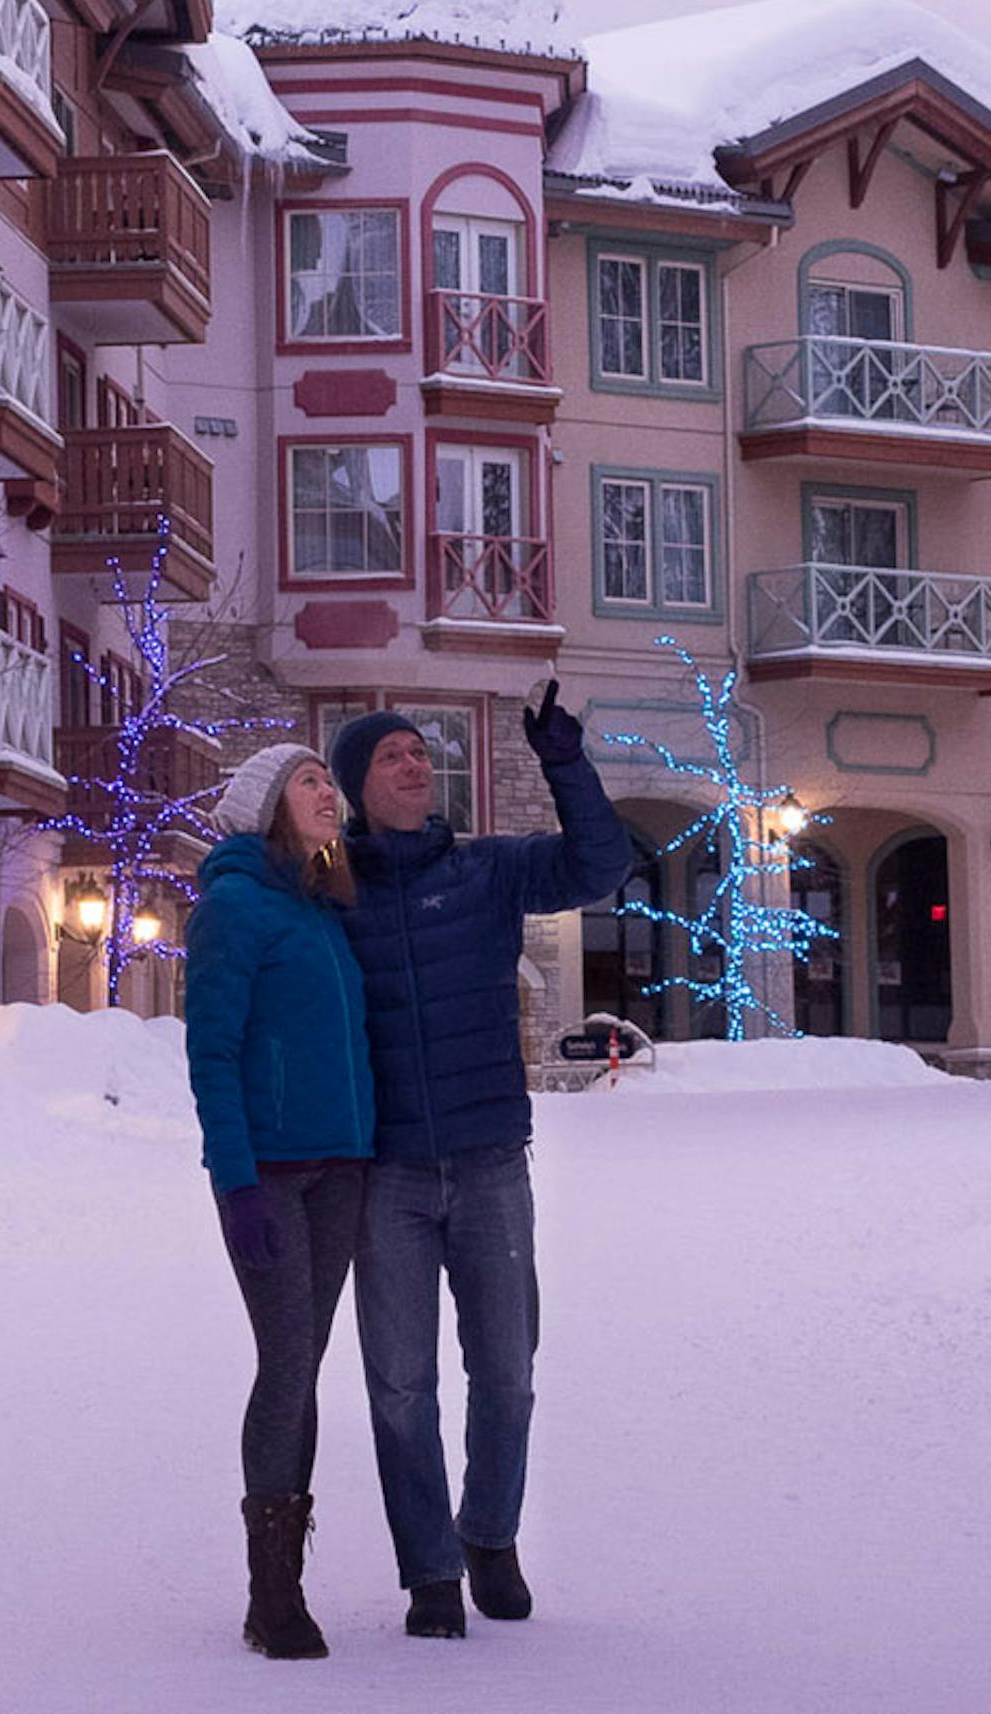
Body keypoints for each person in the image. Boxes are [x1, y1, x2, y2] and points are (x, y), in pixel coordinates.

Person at [329, 685, 636, 1639]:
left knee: (506, 1368)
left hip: (492, 1159)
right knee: (400, 1383)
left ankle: (489, 1536)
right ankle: (428, 1569)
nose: (418, 765)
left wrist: (565, 762)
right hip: (390, 1175)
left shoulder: (489, 872)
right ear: (355, 786)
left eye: (423, 752)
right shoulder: (333, 893)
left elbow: (600, 863)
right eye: (394, 756)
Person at [183, 742, 375, 1662]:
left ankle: (281, 1582)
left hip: (342, 1170)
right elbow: (211, 1056)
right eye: (310, 781)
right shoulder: (232, 909)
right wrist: (236, 1182)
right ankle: (273, 1594)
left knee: (305, 1364)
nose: (329, 793)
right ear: (266, 806)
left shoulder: (327, 909)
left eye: (327, 781)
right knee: (288, 1362)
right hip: (273, 1178)